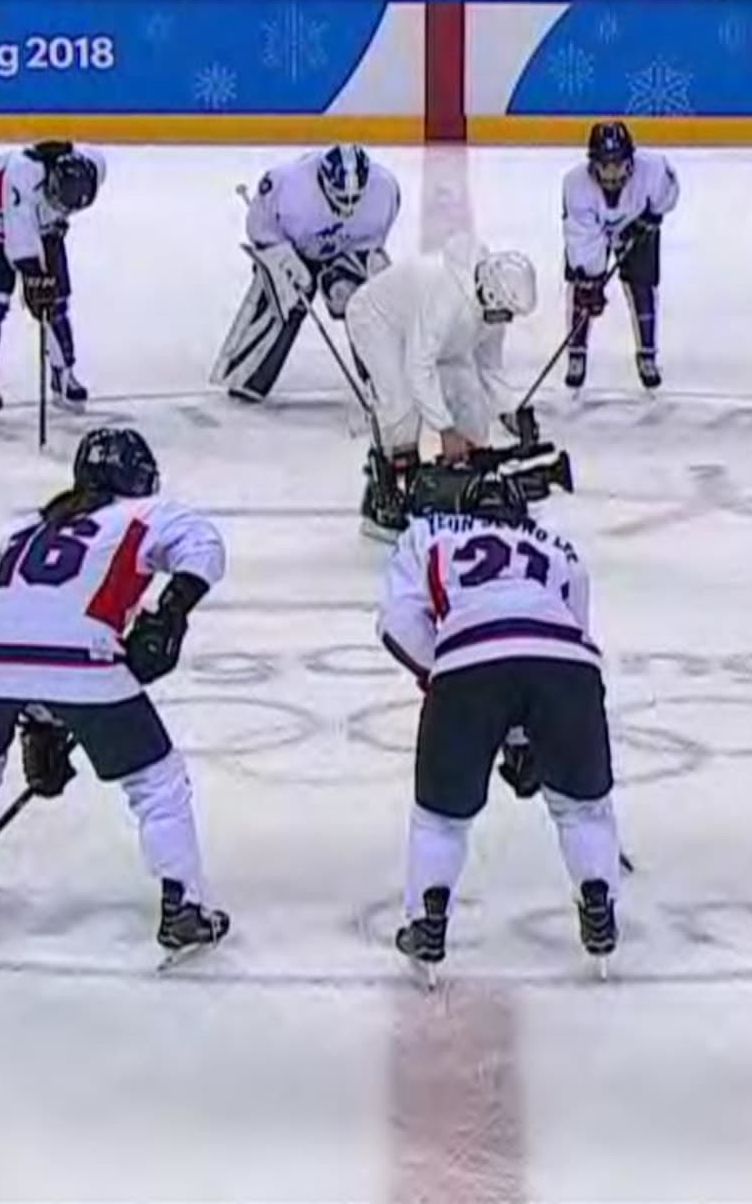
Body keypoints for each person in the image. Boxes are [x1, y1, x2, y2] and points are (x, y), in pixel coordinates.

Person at [0, 428, 232, 964]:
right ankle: (182, 904)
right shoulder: (142, 515)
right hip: (78, 661)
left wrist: (39, 722)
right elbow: (206, 546)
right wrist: (172, 612)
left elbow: (26, 622)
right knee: (156, 780)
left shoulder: (26, 528)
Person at [380, 448, 618, 978]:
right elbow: (571, 631)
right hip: (568, 667)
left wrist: (439, 672)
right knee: (583, 808)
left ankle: (427, 921)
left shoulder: (432, 538)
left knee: (440, 818)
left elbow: (397, 623)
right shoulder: (562, 551)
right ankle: (599, 902)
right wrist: (524, 732)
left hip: (469, 659)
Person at [343, 236, 541, 538]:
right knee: (401, 404)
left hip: (436, 340)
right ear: (490, 293)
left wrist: (511, 410)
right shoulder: (446, 297)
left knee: (470, 401)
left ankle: (464, 484)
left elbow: (489, 367)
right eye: (506, 312)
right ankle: (385, 497)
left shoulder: (491, 310)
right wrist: (446, 429)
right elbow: (418, 367)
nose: (508, 320)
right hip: (378, 322)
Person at [215, 145, 401, 403]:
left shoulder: (385, 190)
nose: (346, 207)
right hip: (290, 248)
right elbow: (259, 226)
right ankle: (248, 374)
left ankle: (384, 377)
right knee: (284, 296)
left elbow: (371, 245)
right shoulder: (285, 183)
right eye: (339, 197)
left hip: (347, 249)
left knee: (365, 300)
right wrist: (283, 259)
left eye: (354, 198)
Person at [0, 141, 106, 415]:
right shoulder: (23, 174)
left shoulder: (91, 167)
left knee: (57, 301)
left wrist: (45, 283)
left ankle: (63, 372)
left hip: (44, 225)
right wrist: (34, 276)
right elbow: (20, 240)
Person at [559, 120, 680, 392]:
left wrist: (651, 217)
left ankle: (647, 354)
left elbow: (669, 193)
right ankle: (577, 353)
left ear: (631, 161)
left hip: (637, 222)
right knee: (582, 290)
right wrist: (589, 279)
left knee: (642, 286)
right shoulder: (575, 185)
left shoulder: (654, 171)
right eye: (605, 164)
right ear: (593, 165)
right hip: (595, 228)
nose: (612, 172)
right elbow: (581, 235)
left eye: (618, 163)